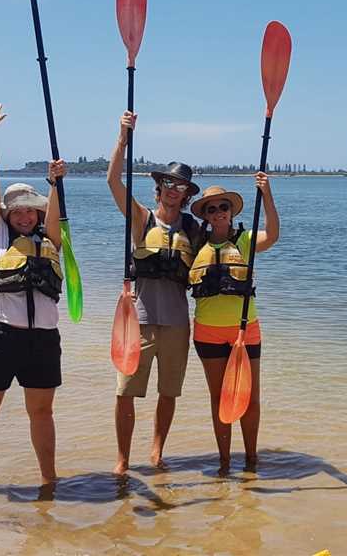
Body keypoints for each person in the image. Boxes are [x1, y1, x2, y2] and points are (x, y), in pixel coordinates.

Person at [0, 103, 68, 498]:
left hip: (42, 337)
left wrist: (55, 184)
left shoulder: (50, 239)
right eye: (18, 211)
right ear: (8, 214)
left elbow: (56, 215)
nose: (25, 216)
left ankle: (48, 477)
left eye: (31, 210)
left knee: (42, 412)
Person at [107, 110, 201, 475]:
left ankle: (157, 452)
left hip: (177, 324)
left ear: (186, 195)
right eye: (170, 185)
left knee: (169, 392)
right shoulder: (142, 218)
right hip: (139, 321)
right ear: (159, 188)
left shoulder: (193, 229)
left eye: (181, 187)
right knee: (125, 391)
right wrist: (122, 139)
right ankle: (122, 460)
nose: (175, 191)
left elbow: (229, 241)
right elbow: (114, 180)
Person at [188, 177, 279, 473]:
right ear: (205, 215)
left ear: (231, 211)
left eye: (223, 207)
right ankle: (224, 461)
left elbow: (274, 234)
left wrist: (267, 195)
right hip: (207, 332)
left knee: (250, 399)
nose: (218, 212)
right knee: (220, 399)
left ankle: (251, 459)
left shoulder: (245, 241)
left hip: (245, 330)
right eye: (211, 209)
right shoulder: (196, 243)